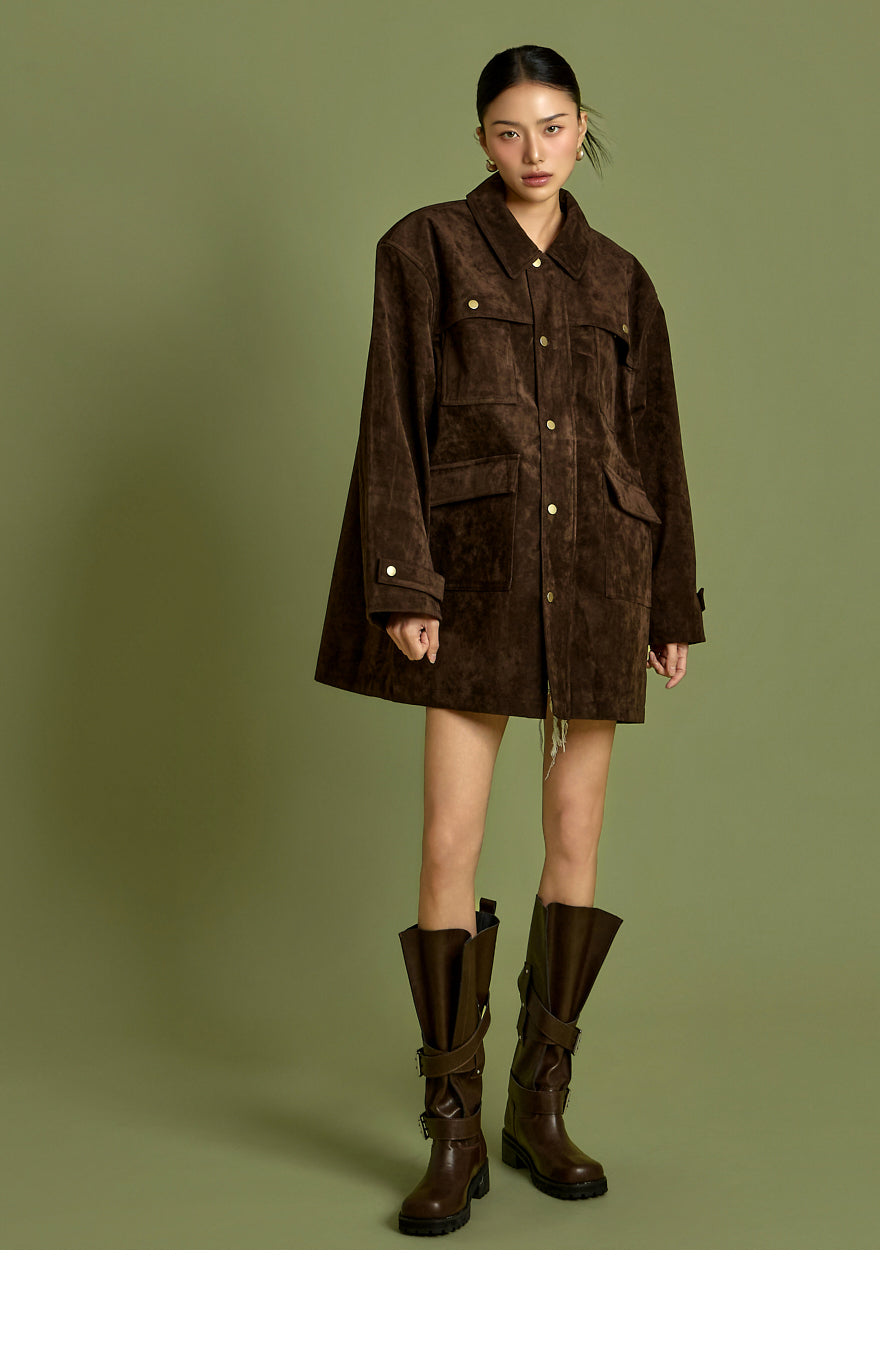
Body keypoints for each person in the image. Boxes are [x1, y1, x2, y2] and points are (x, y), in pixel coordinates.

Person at [314, 45, 707, 1237]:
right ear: (479, 139)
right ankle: (452, 1132)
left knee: (575, 841)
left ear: (583, 128)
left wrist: (668, 604)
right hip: (475, 572)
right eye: (507, 130)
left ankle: (541, 1108)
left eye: (552, 126)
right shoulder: (424, 249)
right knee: (450, 842)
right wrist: (404, 582)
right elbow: (392, 417)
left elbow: (652, 439)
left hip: (597, 575)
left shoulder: (621, 278)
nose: (533, 152)